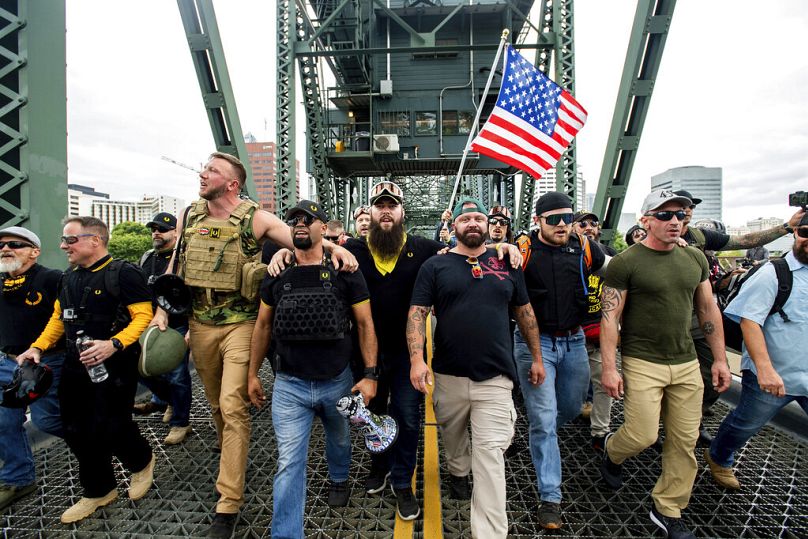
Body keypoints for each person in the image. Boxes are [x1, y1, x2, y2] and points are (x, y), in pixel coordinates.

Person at [148, 151, 356, 538]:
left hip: (240, 322)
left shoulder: (253, 216)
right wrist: (162, 312)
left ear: (232, 183)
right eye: (203, 167)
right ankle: (229, 450)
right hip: (200, 321)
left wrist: (334, 247)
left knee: (232, 406)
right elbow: (174, 266)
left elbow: (299, 236)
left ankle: (227, 504)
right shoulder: (189, 215)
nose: (202, 173)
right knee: (216, 406)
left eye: (211, 170)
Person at [599, 190, 732, 539]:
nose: (675, 221)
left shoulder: (695, 260)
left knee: (683, 442)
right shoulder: (626, 263)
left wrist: (720, 359)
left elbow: (707, 310)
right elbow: (610, 317)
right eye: (665, 215)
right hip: (643, 361)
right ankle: (614, 450)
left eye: (681, 215)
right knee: (642, 435)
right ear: (646, 221)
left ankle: (668, 508)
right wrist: (610, 368)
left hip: (686, 362)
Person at [407, 197, 544, 539]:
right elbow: (417, 313)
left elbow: (525, 313)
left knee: (490, 458)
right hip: (449, 375)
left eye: (478, 218)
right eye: (465, 218)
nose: (472, 223)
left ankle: (490, 534)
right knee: (454, 442)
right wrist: (417, 358)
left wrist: (537, 358)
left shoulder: (506, 262)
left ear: (487, 226)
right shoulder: (435, 267)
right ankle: (457, 470)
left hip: (496, 378)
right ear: (453, 226)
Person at [247, 200, 378, 538]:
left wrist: (370, 374)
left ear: (323, 227)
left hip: (337, 380)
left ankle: (338, 477)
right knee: (289, 463)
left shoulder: (345, 271)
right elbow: (262, 326)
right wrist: (251, 374)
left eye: (308, 219)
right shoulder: (278, 273)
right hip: (290, 385)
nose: (300, 224)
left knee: (339, 439)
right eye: (294, 220)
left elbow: (364, 324)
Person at [17, 217, 155, 524]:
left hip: (115, 364)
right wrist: (38, 347)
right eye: (64, 240)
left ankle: (141, 461)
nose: (63, 246)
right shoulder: (69, 278)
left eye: (70, 240)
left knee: (114, 423)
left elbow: (143, 316)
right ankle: (99, 489)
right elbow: (58, 319)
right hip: (75, 364)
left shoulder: (123, 273)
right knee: (76, 428)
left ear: (95, 240)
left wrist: (114, 344)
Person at [673, 189, 805, 446]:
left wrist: (786, 228)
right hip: (663, 321)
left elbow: (744, 241)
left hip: (698, 317)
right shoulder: (652, 235)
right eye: (677, 208)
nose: (685, 212)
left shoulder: (699, 236)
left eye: (689, 207)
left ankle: (693, 424)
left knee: (711, 376)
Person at [513, 192, 606, 529]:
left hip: (575, 340)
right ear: (538, 221)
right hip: (534, 344)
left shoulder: (583, 247)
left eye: (567, 217)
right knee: (544, 420)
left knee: (567, 408)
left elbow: (617, 269)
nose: (563, 224)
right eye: (554, 219)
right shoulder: (522, 250)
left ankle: (537, 428)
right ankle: (550, 497)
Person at [705, 216, 808, 490]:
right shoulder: (774, 272)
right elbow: (749, 319)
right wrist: (764, 369)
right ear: (796, 232)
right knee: (744, 424)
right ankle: (719, 457)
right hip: (774, 374)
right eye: (806, 231)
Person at [0, 226, 64, 510]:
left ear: (34, 252)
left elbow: (67, 318)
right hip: (7, 362)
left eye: (15, 244)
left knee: (47, 421)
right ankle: (18, 478)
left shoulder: (51, 278)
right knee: (3, 421)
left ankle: (105, 441)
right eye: (1, 246)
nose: (5, 249)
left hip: (44, 363)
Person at [137, 212, 193, 445]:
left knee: (178, 374)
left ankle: (180, 422)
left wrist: (192, 329)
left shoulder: (185, 258)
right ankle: (164, 400)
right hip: (150, 323)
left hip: (178, 325)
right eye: (153, 229)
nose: (156, 233)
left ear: (175, 232)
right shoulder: (147, 258)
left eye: (162, 229)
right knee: (142, 368)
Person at [572, 211, 617, 451]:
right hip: (569, 332)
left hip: (596, 329)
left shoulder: (610, 255)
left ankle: (601, 432)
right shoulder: (567, 253)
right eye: (583, 223)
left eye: (593, 224)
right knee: (570, 386)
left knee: (603, 382)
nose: (589, 227)